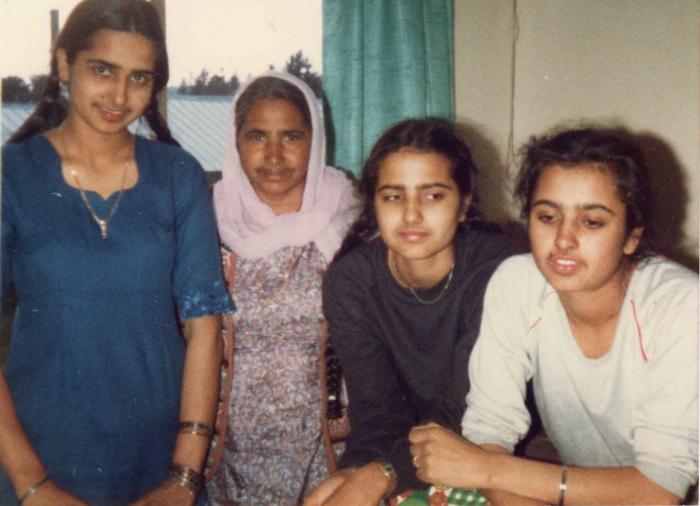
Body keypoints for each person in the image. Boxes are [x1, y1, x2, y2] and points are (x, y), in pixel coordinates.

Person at [0, 1, 233, 504]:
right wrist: (30, 484)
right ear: (64, 64)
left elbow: (204, 327)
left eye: (140, 78)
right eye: (102, 70)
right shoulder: (11, 175)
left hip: (158, 459)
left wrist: (184, 477)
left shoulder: (178, 176)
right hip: (39, 454)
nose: (120, 95)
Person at [408, 128, 698, 505]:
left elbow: (659, 490)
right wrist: (485, 467)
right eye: (547, 216)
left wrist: (485, 468)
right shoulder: (517, 283)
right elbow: (490, 431)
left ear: (631, 237)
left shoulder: (681, 306)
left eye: (592, 222)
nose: (563, 239)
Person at [303, 118, 519, 506]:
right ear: (374, 203)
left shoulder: (500, 272)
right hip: (397, 446)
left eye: (433, 196)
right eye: (393, 196)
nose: (412, 214)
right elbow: (375, 411)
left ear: (464, 203)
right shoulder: (350, 282)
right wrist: (356, 473)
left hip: (486, 448)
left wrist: (382, 474)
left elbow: (465, 410)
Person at [206, 71, 358, 505]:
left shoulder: (350, 216)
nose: (274, 154)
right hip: (230, 449)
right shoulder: (207, 220)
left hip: (329, 443)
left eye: (291, 136)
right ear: (236, 142)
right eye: (257, 136)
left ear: (315, 139)